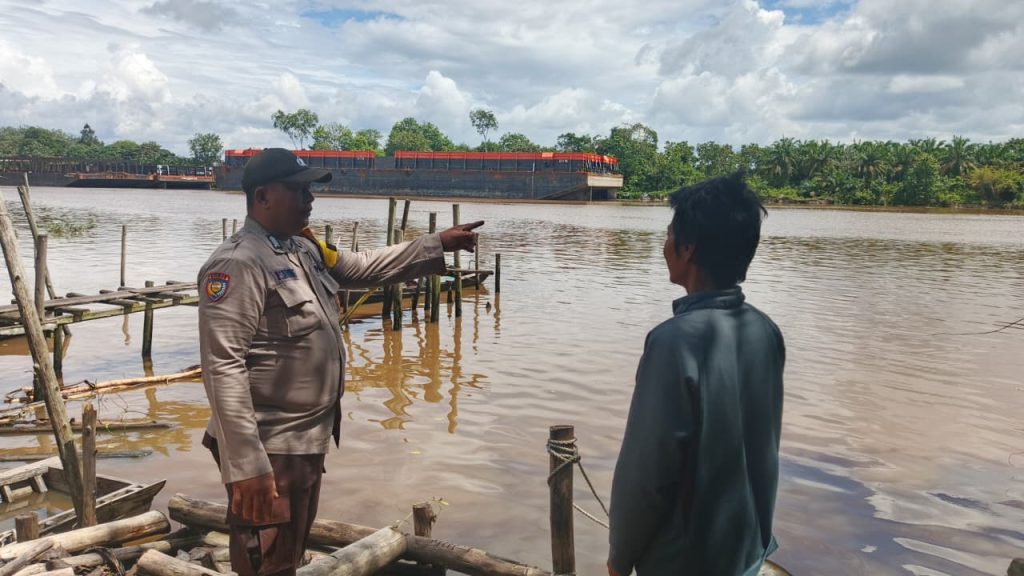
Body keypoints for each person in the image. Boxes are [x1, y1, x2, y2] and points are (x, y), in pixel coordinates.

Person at [197, 148, 481, 576]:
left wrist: (436, 243)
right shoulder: (237, 263)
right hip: (269, 445)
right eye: (298, 190)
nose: (310, 198)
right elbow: (223, 366)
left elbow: (363, 268)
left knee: (287, 554)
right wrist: (246, 466)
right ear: (263, 196)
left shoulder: (302, 248)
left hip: (304, 440)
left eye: (310, 189)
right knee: (265, 560)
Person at [607, 174, 785, 576]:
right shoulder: (764, 331)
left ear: (688, 249)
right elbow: (763, 449)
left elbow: (646, 473)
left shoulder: (673, 342)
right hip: (744, 552)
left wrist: (619, 559)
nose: (665, 244)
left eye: (669, 234)